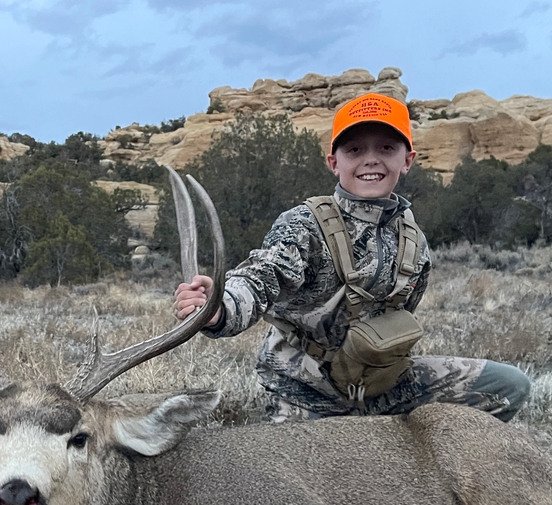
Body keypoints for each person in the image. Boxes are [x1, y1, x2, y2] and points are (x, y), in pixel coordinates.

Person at [173, 92, 531, 423]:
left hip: (380, 382)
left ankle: (435, 478)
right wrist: (221, 307)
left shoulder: (412, 239)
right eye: (355, 150)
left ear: (407, 161)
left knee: (508, 387)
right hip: (307, 392)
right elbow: (262, 275)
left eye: (387, 147)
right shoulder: (305, 225)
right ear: (334, 162)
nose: (371, 159)